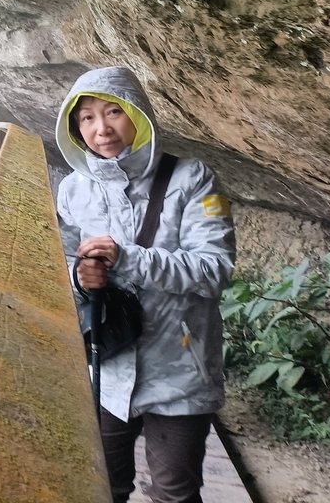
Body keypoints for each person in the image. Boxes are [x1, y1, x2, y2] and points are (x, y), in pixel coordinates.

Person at [54, 66, 236, 503]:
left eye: (113, 112)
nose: (102, 129)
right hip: (107, 365)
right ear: (75, 130)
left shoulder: (193, 179)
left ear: (139, 114)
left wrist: (128, 258)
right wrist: (80, 278)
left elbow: (215, 269)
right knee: (101, 486)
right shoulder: (73, 191)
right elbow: (58, 263)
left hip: (180, 370)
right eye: (87, 118)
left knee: (174, 492)